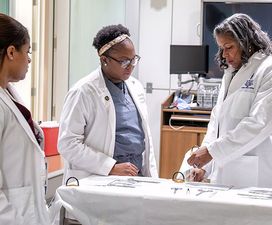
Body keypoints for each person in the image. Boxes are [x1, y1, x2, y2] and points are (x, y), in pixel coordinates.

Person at [187, 13, 272, 189]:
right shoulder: (230, 73)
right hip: (232, 167)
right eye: (222, 48)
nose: (224, 54)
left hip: (265, 168)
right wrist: (205, 165)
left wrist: (213, 152)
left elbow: (260, 122)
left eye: (229, 47)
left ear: (247, 42)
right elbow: (218, 122)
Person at [58, 24, 158, 183]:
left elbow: (144, 139)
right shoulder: (83, 92)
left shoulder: (135, 86)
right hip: (101, 178)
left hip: (137, 176)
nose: (131, 66)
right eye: (124, 61)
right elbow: (68, 144)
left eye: (134, 60)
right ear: (104, 60)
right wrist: (109, 167)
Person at [0, 13, 50, 224]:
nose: (29, 59)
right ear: (11, 52)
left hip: (27, 210)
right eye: (27, 51)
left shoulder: (9, 94)